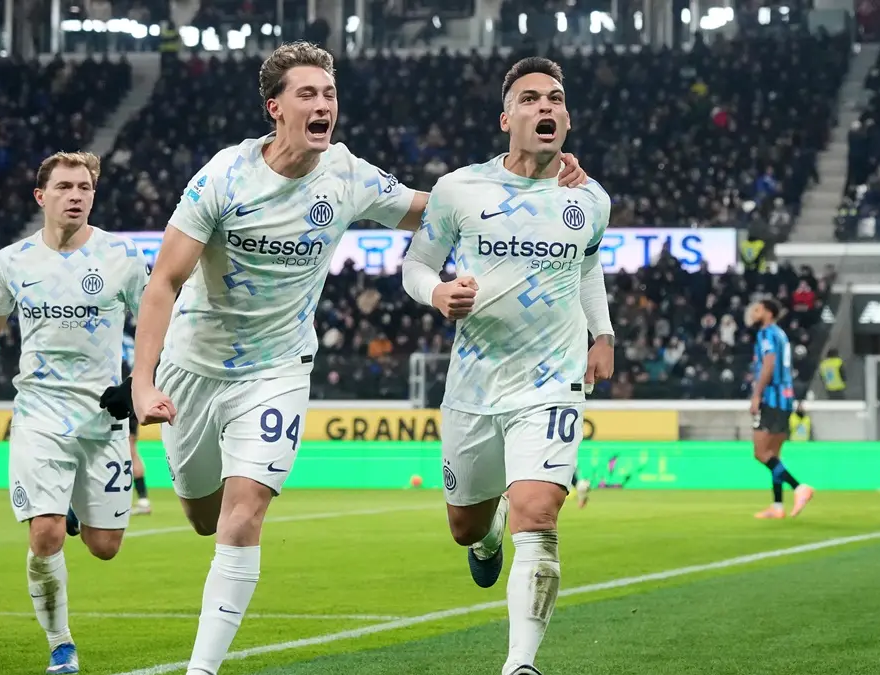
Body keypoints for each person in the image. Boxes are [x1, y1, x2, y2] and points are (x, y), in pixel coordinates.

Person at [125, 42, 590, 675]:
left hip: (278, 369)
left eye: (329, 94)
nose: (323, 105)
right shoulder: (224, 177)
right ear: (275, 108)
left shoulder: (345, 174)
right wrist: (143, 382)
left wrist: (535, 180)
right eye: (307, 94)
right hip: (194, 366)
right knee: (203, 515)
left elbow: (440, 209)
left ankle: (200, 669)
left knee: (245, 512)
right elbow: (163, 282)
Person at [401, 56, 614, 675]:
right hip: (475, 380)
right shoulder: (460, 189)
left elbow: (588, 266)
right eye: (530, 98)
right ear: (506, 119)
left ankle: (520, 663)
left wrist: (602, 333)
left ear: (566, 120)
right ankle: (488, 532)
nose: (545, 106)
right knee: (465, 528)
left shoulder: (589, 199)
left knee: (539, 515)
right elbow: (416, 264)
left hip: (553, 380)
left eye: (555, 99)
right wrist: (437, 293)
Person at [0, 151, 149, 675]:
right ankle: (61, 645)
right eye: (64, 187)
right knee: (46, 533)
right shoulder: (14, 261)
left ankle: (73, 508)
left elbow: (157, 325)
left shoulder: (122, 256)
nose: (76, 195)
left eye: (84, 188)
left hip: (102, 416)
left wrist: (133, 386)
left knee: (105, 547)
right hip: (39, 412)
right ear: (41, 196)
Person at [748, 298, 814, 519]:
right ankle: (777, 506)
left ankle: (798, 487)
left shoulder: (766, 333)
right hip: (786, 397)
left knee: (760, 452)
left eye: (758, 309)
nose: (753, 313)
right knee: (774, 455)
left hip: (772, 398)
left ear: (768, 313)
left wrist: (757, 394)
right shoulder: (781, 334)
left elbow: (769, 364)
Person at [121, 330, 153, 514]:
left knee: (124, 450)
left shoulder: (114, 338)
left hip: (121, 395)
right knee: (131, 449)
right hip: (135, 395)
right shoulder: (131, 340)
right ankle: (143, 499)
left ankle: (137, 500)